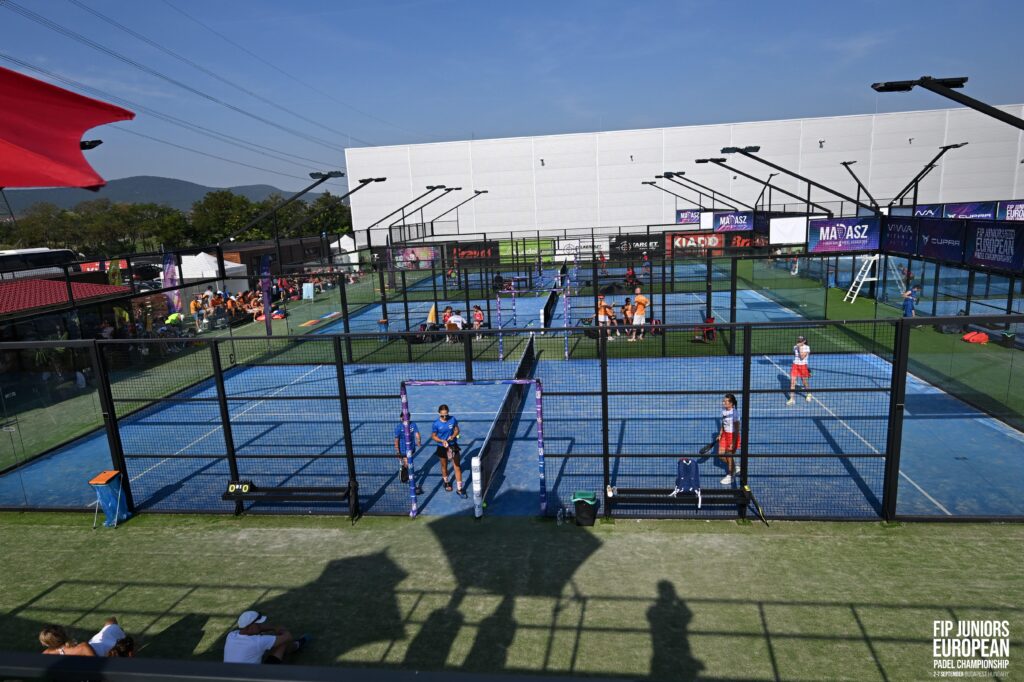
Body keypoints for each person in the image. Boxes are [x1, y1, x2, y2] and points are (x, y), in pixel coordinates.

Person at [223, 610, 309, 665]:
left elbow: (257, 629)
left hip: (228, 677)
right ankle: (297, 645)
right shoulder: (257, 641)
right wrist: (282, 630)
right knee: (282, 642)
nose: (260, 626)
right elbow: (288, 636)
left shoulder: (231, 635)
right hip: (255, 678)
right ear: (251, 627)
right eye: (258, 624)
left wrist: (273, 628)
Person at [431, 404, 465, 496]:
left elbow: (457, 430)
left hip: (453, 445)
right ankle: (446, 482)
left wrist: (453, 436)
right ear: (439, 413)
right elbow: (433, 436)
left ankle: (459, 488)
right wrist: (442, 441)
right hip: (442, 447)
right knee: (444, 465)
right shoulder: (436, 424)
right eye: (442, 415)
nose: (445, 417)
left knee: (457, 466)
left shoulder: (453, 419)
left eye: (446, 415)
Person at [716, 393, 741, 486]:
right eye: (724, 401)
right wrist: (720, 434)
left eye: (726, 401)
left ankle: (731, 475)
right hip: (724, 435)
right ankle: (734, 467)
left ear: (732, 403)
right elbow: (723, 423)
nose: (724, 402)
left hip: (732, 436)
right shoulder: (723, 411)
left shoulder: (735, 414)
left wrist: (733, 443)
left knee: (729, 456)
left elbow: (737, 429)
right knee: (720, 455)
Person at [394, 414, 422, 483]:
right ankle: (409, 478)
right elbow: (396, 440)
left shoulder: (413, 424)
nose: (406, 421)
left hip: (412, 448)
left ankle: (405, 469)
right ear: (401, 418)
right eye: (404, 419)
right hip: (403, 449)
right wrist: (398, 451)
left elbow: (417, 433)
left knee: (410, 462)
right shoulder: (399, 427)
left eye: (407, 419)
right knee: (408, 463)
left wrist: (418, 440)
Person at [787, 335, 812, 405]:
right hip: (795, 366)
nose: (799, 341)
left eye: (801, 340)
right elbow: (796, 356)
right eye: (799, 340)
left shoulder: (807, 347)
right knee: (792, 382)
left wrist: (800, 347)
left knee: (804, 382)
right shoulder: (795, 347)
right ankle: (792, 399)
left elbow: (802, 357)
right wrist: (798, 346)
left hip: (803, 366)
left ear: (804, 341)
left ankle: (809, 393)